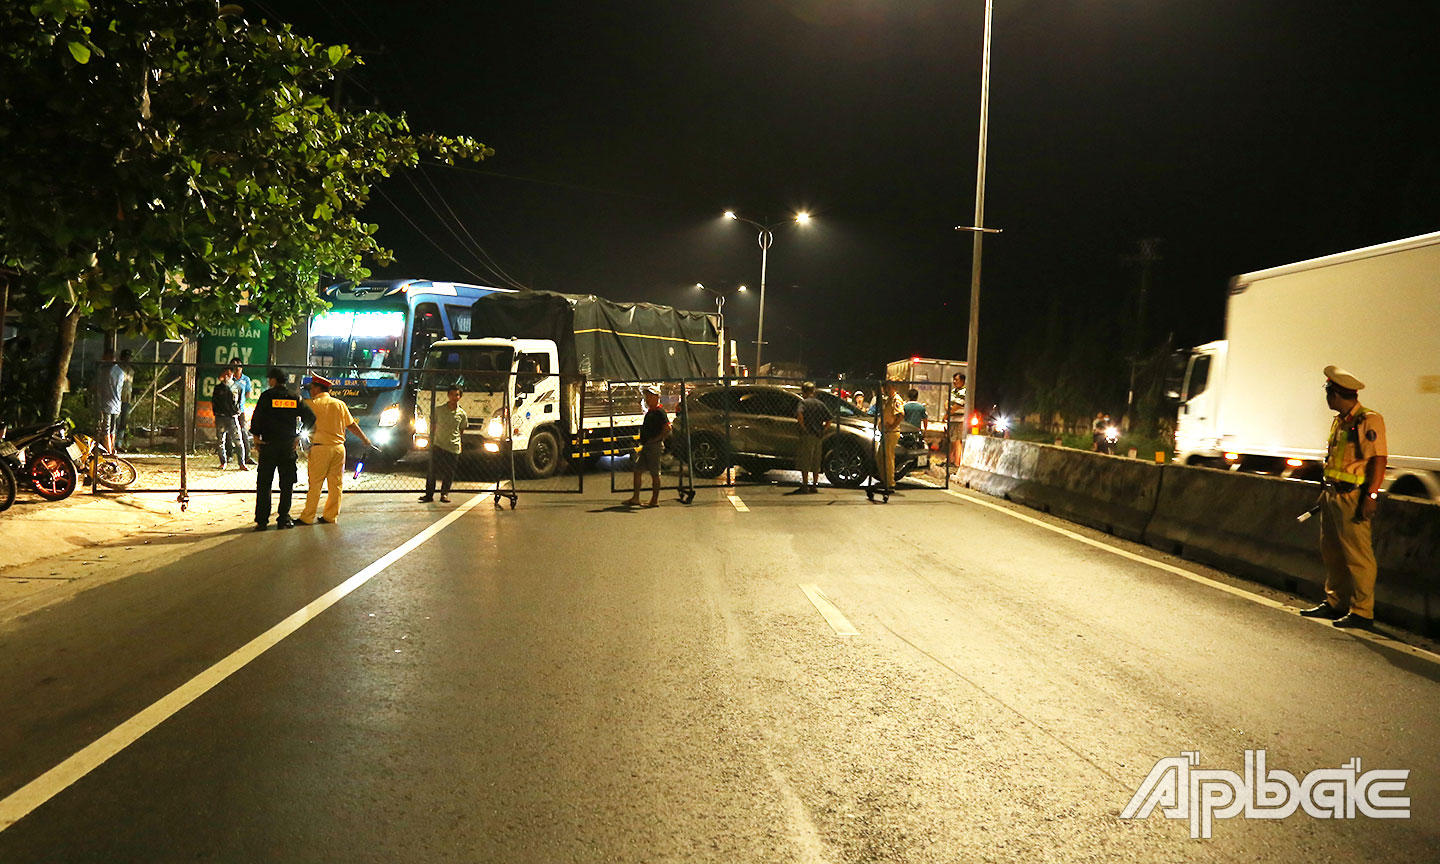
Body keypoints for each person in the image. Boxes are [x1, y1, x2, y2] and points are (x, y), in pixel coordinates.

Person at [1299, 366, 1387, 630]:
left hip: (1353, 497)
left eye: (1328, 392)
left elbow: (1379, 460)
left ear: (1335, 394)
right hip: (1332, 494)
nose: (1326, 398)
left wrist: (1370, 495)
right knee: (1333, 553)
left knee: (1358, 556)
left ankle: (1362, 612)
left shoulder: (1367, 420)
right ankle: (1335, 602)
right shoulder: (1341, 420)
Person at [299, 372, 375, 525]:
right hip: (339, 449)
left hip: (320, 448)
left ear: (317, 388)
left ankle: (307, 517)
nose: (311, 390)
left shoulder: (311, 404)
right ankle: (330, 516)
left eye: (312, 387)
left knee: (315, 484)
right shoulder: (340, 404)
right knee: (336, 484)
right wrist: (365, 439)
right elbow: (351, 425)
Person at [250, 368, 314, 531]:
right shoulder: (294, 397)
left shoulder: (266, 396)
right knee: (287, 484)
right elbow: (310, 417)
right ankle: (284, 517)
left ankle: (262, 520)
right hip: (287, 446)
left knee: (264, 483)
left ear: (273, 380)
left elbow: (257, 417)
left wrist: (256, 437)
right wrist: (299, 436)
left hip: (269, 445)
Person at [624, 385, 670, 507]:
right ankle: (635, 498)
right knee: (638, 470)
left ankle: (654, 500)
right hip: (648, 445)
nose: (647, 399)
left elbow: (667, 428)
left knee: (655, 473)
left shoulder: (660, 412)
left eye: (650, 396)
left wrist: (656, 439)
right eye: (647, 396)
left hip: (654, 446)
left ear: (657, 397)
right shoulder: (652, 412)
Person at [419, 386, 466, 504]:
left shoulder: (462, 414)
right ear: (448, 395)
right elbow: (433, 425)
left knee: (449, 472)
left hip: (453, 446)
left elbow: (461, 429)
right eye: (452, 394)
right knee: (432, 470)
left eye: (457, 395)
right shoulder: (439, 410)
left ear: (460, 397)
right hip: (438, 444)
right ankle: (429, 494)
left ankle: (444, 494)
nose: (454, 397)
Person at [795, 381, 832, 493]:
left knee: (806, 460)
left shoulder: (803, 403)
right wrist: (823, 430)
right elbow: (829, 419)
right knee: (816, 460)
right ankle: (815, 485)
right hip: (818, 435)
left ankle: (805, 484)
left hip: (808, 435)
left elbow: (800, 415)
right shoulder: (820, 404)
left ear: (804, 392)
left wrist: (803, 427)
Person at [212, 367, 247, 470]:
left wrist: (237, 412)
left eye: (229, 373)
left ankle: (241, 463)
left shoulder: (237, 387)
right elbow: (214, 402)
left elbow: (239, 401)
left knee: (238, 441)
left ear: (232, 374)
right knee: (220, 441)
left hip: (232, 418)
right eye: (225, 374)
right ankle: (223, 462)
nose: (227, 376)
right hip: (220, 417)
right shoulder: (218, 388)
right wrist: (217, 413)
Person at [96, 350, 126, 453]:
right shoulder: (120, 371)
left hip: (106, 404)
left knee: (106, 429)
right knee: (113, 429)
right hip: (117, 404)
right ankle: (112, 449)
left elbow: (99, 386)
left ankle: (108, 452)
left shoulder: (104, 371)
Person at [877, 381, 904, 494]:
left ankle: (890, 483)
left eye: (886, 387)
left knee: (888, 458)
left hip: (891, 433)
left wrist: (892, 426)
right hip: (886, 432)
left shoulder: (896, 400)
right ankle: (885, 481)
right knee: (880, 456)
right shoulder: (889, 399)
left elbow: (901, 414)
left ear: (891, 387)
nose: (885, 390)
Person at [229, 358, 256, 466]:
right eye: (233, 366)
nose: (236, 368)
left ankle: (247, 456)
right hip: (228, 410)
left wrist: (240, 399)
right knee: (227, 433)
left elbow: (248, 393)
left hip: (240, 409)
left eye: (238, 365)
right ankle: (229, 455)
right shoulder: (229, 378)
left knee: (243, 432)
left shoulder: (246, 379)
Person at [946, 372, 967, 466]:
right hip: (952, 419)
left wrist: (948, 413)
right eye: (954, 379)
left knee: (956, 440)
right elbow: (947, 401)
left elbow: (958, 405)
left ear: (962, 381)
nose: (954, 381)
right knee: (952, 440)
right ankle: (950, 460)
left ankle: (956, 462)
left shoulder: (964, 391)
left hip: (959, 420)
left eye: (956, 380)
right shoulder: (953, 391)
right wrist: (947, 409)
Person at [117, 349, 135, 451]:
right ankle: (113, 443)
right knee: (116, 421)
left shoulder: (131, 371)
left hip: (126, 399)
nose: (127, 359)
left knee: (123, 422)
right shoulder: (118, 369)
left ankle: (119, 443)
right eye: (126, 357)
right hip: (118, 398)